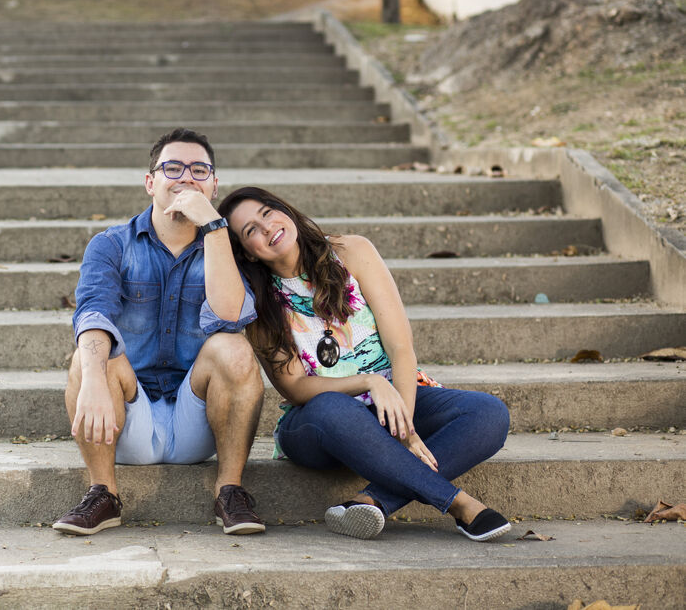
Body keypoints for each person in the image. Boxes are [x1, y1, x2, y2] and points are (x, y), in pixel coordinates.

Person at [217, 186, 512, 542]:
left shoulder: (351, 251)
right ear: (246, 253)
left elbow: (400, 347)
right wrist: (369, 381)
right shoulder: (258, 301)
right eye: (251, 230)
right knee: (331, 407)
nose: (266, 228)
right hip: (318, 427)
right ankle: (459, 505)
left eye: (267, 213)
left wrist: (407, 428)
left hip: (392, 402)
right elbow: (295, 388)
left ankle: (371, 500)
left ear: (285, 210)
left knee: (488, 413)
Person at [53, 129, 266, 536]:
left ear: (214, 185)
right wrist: (95, 377)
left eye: (199, 169)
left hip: (198, 419)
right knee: (89, 353)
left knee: (233, 347)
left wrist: (215, 228)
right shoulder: (111, 244)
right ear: (151, 182)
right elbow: (93, 312)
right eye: (173, 167)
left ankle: (230, 490)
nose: (186, 177)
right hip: (128, 416)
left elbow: (231, 316)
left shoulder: (225, 247)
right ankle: (103, 494)